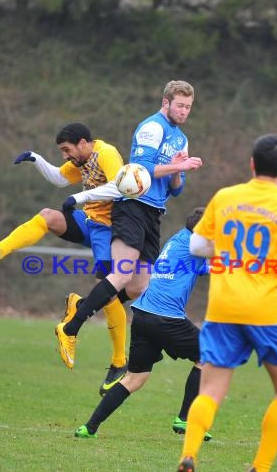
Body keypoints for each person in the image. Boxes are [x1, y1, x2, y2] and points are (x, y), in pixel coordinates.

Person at [170, 134, 277, 472]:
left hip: (224, 308)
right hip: (269, 311)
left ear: (251, 164)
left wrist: (230, 252)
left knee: (210, 391)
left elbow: (198, 246)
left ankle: (189, 457)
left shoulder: (226, 197)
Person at [55, 80, 203, 370]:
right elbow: (139, 170)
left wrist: (177, 170)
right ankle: (70, 328)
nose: (184, 111)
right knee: (122, 275)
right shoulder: (152, 127)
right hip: (132, 206)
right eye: (180, 105)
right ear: (166, 103)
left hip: (153, 213)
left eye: (188, 107)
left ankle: (80, 305)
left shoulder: (180, 139)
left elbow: (176, 189)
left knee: (138, 286)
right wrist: (178, 167)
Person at [0, 122, 128, 394]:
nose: (66, 156)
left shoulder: (106, 153)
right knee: (47, 216)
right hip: (90, 221)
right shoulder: (81, 160)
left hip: (110, 229)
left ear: (83, 143)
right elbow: (58, 177)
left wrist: (78, 197)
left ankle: (119, 362)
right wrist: (35, 158)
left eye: (67, 150)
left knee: (108, 288)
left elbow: (120, 187)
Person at [71, 207, 212, 441]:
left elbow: (206, 268)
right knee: (208, 356)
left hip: (142, 317)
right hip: (166, 319)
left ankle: (89, 427)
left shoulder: (179, 240)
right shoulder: (195, 246)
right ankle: (185, 419)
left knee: (134, 379)